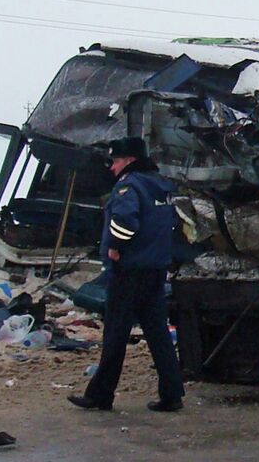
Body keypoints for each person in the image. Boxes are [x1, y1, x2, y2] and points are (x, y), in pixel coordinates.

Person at [70, 136, 185, 413]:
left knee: (115, 334)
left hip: (129, 271)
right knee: (158, 332)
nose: (112, 167)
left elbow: (124, 222)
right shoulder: (161, 186)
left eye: (116, 161)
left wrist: (116, 248)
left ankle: (100, 395)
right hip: (155, 269)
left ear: (130, 160)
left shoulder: (129, 186)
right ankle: (172, 394)